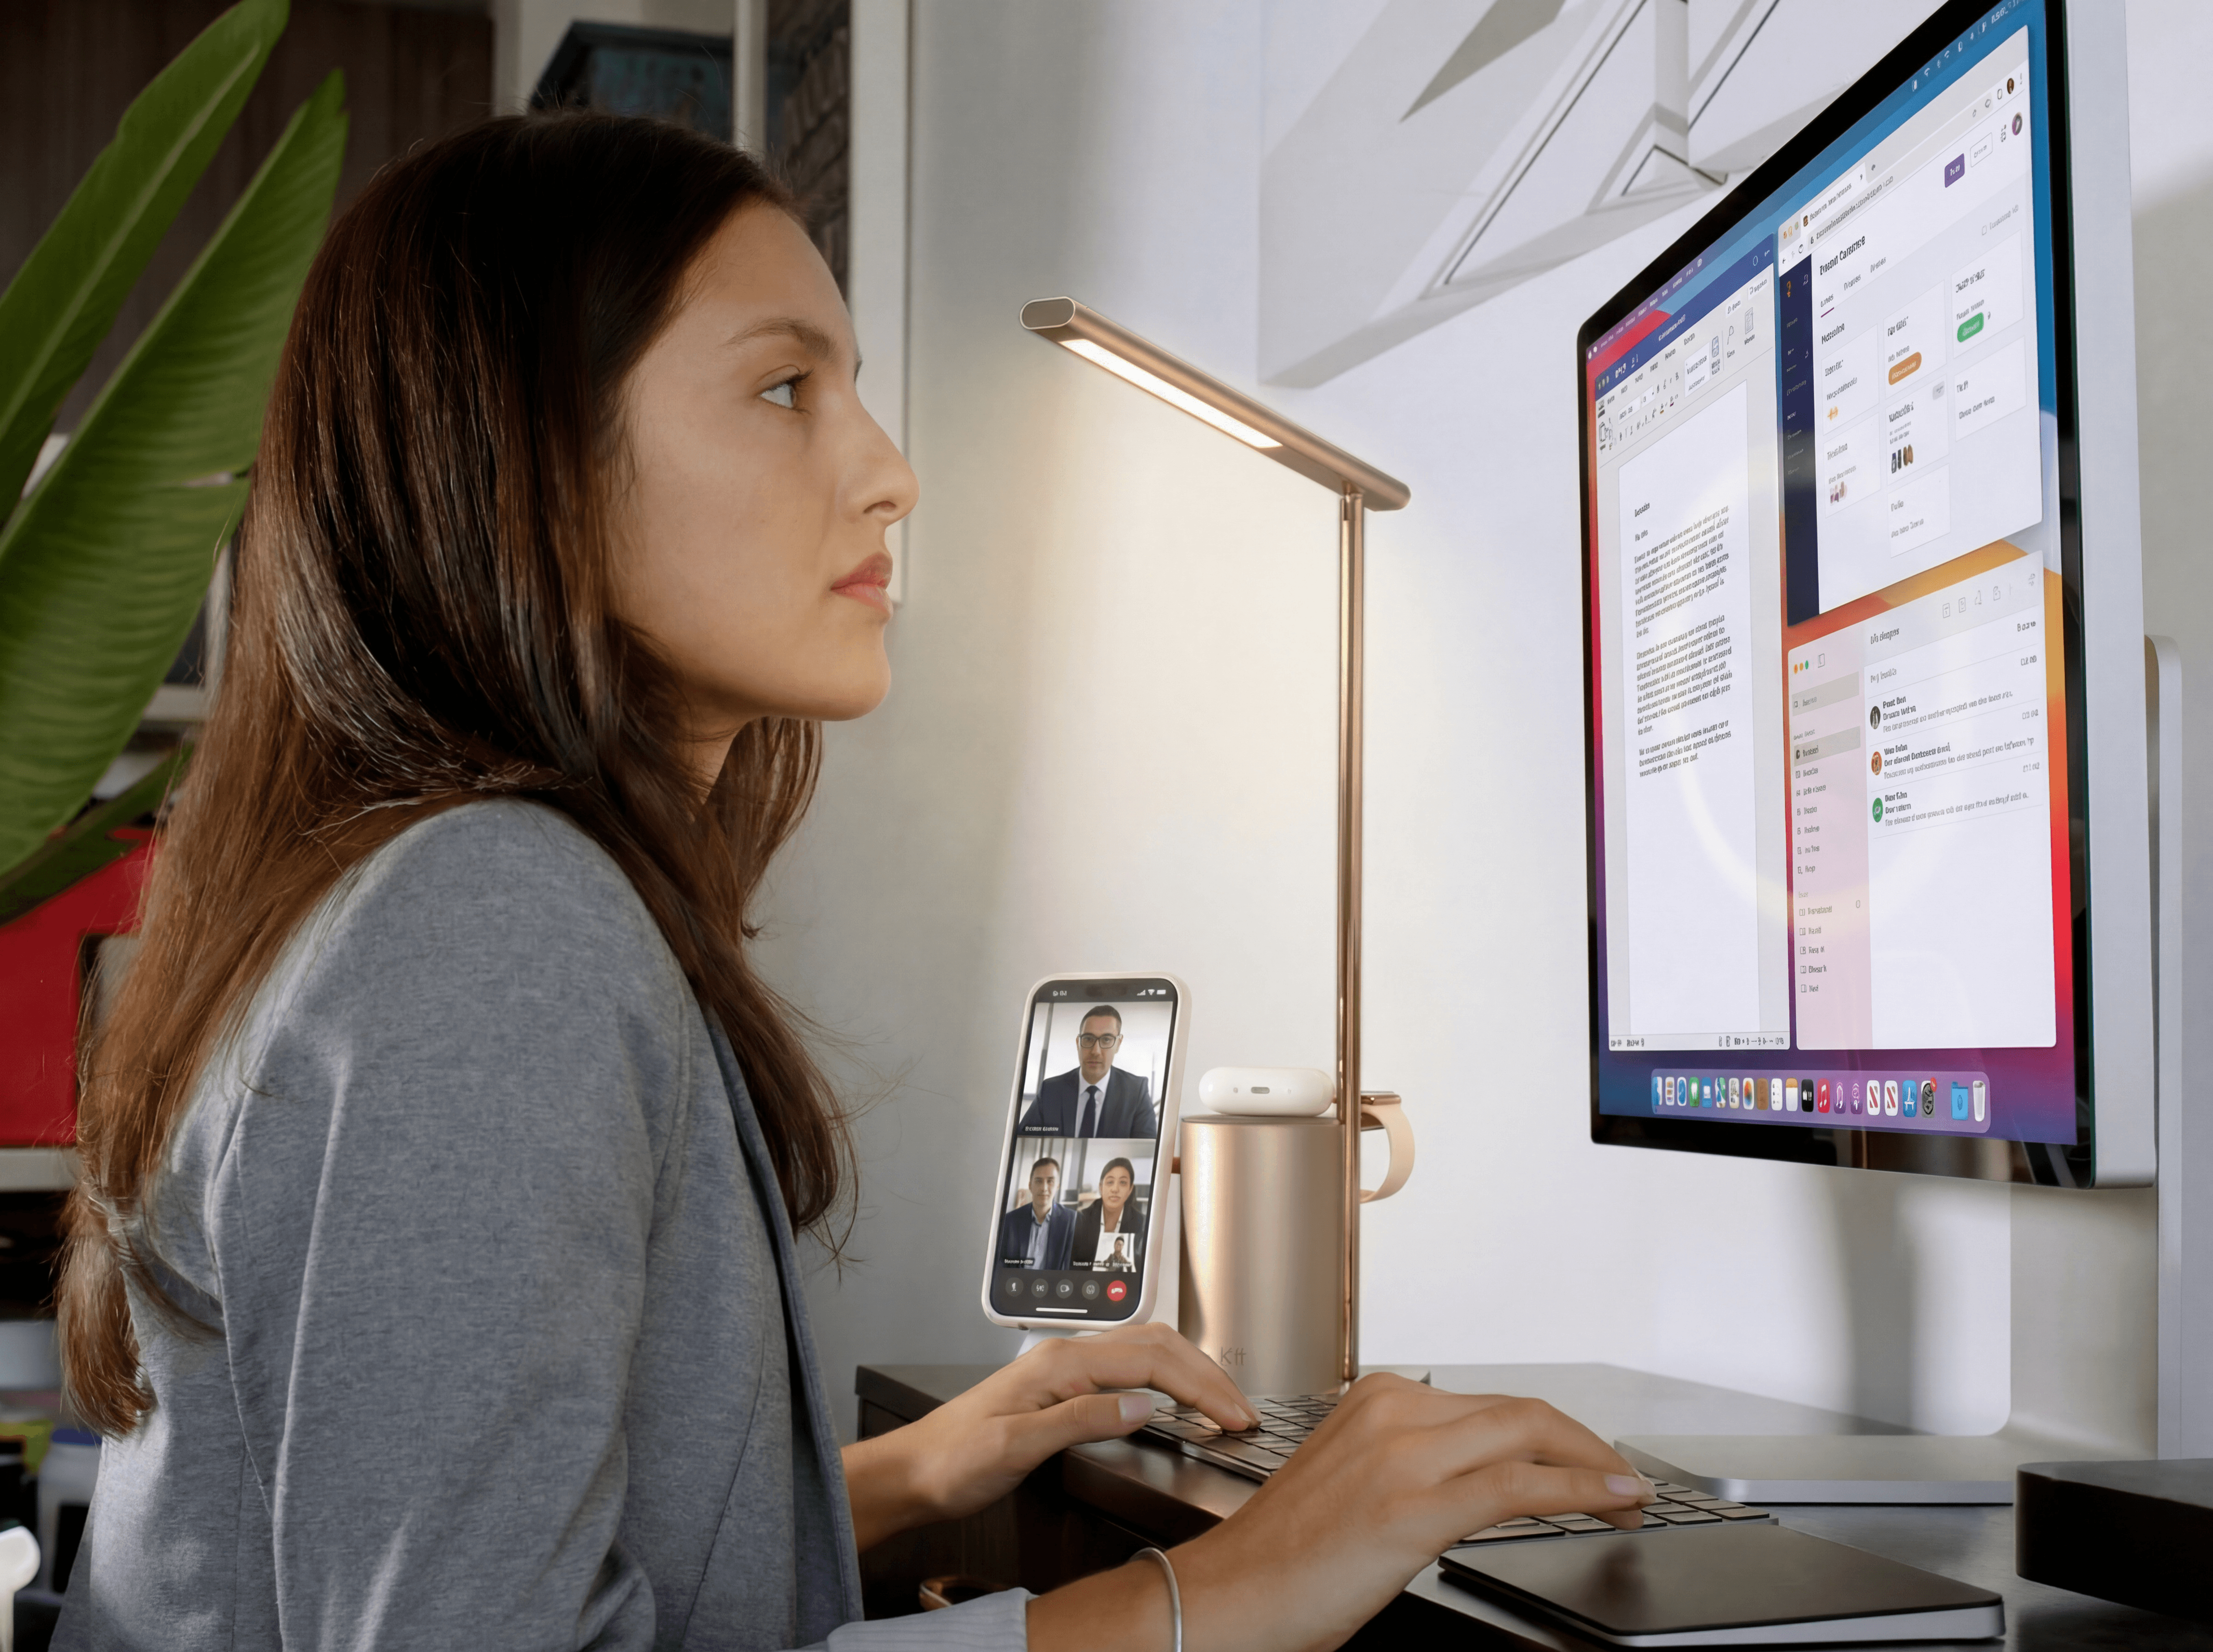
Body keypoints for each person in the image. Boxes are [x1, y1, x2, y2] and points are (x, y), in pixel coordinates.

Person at [53, 112, 1653, 1652]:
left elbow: (472, 1523)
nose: (889, 471)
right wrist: (1222, 1595)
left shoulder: (443, 896)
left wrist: (904, 1473)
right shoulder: (493, 922)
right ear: (524, 462)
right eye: (781, 389)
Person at [1019, 1006, 1156, 1137]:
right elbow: (1022, 1138)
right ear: (1078, 1043)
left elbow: (1149, 1145)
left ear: (1118, 1043)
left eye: (1107, 1040)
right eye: (1088, 1039)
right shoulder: (1050, 1090)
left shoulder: (1137, 1091)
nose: (1095, 1052)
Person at [999, 1157, 1075, 1270]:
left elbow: (1071, 1268)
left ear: (1058, 1186)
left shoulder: (1072, 1221)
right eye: (1039, 1181)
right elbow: (1001, 1265)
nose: (1044, 1188)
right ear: (1030, 1185)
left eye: (1050, 1181)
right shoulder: (1010, 1221)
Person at [1070, 1156, 1142, 1269]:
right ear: (1101, 1187)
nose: (1115, 1189)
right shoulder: (1079, 1220)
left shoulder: (1142, 1224)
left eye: (1123, 1183)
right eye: (1110, 1182)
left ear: (1130, 1189)